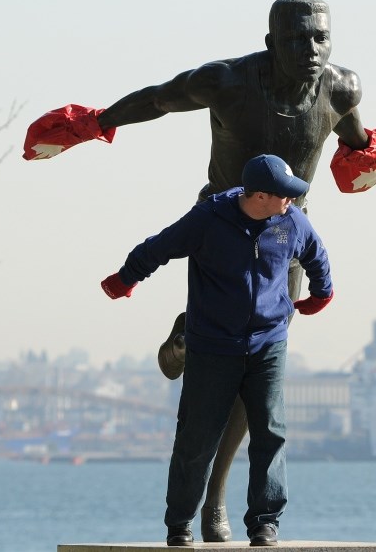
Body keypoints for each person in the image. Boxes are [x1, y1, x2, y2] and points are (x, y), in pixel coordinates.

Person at [22, 0, 376, 541]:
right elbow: (160, 99)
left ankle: (218, 502)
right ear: (272, 43)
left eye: (321, 37)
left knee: (261, 368)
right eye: (297, 38)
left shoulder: (341, 87)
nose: (311, 49)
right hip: (221, 223)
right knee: (224, 350)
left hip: (284, 231)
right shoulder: (227, 82)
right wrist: (93, 124)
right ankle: (192, 339)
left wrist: (370, 155)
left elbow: (350, 133)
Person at [101, 155, 333, 547]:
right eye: (285, 195)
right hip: (212, 347)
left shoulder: (291, 221)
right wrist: (124, 279)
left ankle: (264, 522)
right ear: (259, 195)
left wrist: (320, 294)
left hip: (268, 343)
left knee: (270, 432)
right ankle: (179, 524)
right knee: (197, 438)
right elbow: (158, 247)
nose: (291, 201)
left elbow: (317, 256)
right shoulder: (208, 219)